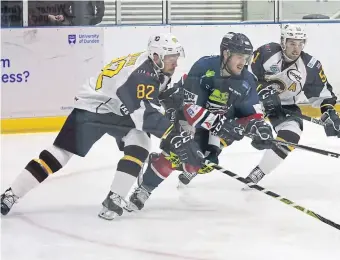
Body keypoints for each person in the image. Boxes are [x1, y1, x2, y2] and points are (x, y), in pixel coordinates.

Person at [0, 33, 204, 221]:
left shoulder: (157, 67)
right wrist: (175, 137)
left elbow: (150, 100)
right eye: (171, 57)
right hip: (92, 108)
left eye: (176, 56)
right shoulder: (141, 75)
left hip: (117, 109)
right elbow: (145, 115)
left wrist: (174, 115)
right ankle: (11, 194)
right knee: (59, 155)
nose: (175, 62)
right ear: (157, 56)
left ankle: (114, 198)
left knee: (140, 143)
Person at [124, 32, 274, 212]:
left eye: (246, 57)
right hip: (182, 112)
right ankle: (145, 188)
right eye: (239, 57)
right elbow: (190, 110)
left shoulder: (247, 80)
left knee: (205, 163)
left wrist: (260, 127)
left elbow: (252, 112)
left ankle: (180, 164)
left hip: (215, 120)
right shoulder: (204, 67)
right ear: (226, 54)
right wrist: (220, 124)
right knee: (179, 152)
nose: (244, 62)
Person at [243, 24, 340, 186]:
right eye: (292, 43)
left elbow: (323, 95)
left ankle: (259, 172)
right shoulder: (266, 52)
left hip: (284, 106)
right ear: (283, 42)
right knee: (230, 126)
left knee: (292, 134)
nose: (296, 49)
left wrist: (329, 112)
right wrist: (263, 90)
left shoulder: (310, 67)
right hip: (254, 100)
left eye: (300, 44)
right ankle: (201, 158)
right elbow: (246, 74)